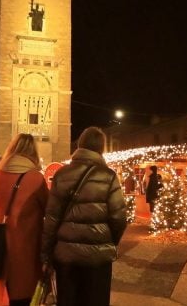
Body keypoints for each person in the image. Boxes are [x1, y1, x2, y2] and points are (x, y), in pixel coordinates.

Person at [42, 126, 127, 306]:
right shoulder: (109, 176)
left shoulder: (62, 174)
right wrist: (109, 241)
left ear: (80, 145)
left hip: (66, 257)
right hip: (98, 260)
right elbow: (119, 217)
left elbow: (51, 219)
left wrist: (46, 253)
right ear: (101, 148)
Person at [0, 134, 49, 306]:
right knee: (27, 296)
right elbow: (49, 207)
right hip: (28, 247)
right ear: (33, 151)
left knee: (13, 294)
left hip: (3, 245)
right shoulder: (36, 178)